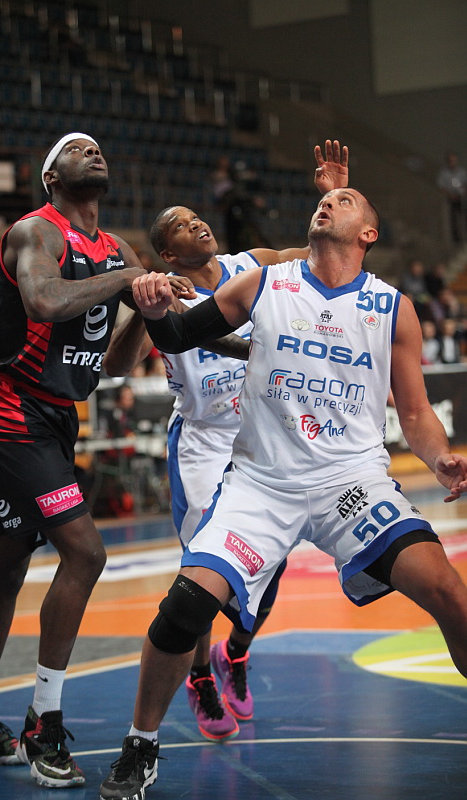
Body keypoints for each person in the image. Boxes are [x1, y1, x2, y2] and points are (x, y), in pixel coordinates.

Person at [99, 187, 467, 800]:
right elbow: (178, 336)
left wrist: (439, 458)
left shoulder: (392, 307)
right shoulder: (264, 281)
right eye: (326, 200)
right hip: (261, 484)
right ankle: (141, 744)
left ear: (368, 233)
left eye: (344, 202)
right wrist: (153, 307)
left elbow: (415, 411)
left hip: (351, 480)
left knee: (447, 590)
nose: (328, 204)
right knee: (184, 609)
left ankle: (235, 655)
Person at [103, 140, 349, 741]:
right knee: (206, 572)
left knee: (272, 564)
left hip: (265, 435)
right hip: (206, 443)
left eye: (197, 217)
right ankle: (198, 678)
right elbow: (114, 366)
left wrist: (333, 197)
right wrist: (142, 308)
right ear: (168, 253)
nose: (198, 224)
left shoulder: (250, 266)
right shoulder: (164, 295)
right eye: (181, 226)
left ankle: (234, 653)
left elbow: (319, 256)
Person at [0, 133, 150, 788]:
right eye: (77, 149)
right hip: (10, 409)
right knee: (85, 553)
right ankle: (44, 721)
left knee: (8, 563)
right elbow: (43, 301)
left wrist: (147, 314)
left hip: (56, 417)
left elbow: (119, 363)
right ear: (51, 177)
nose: (94, 151)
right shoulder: (36, 232)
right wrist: (130, 281)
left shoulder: (116, 248)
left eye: (99, 147)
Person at [437, 151, 467, 245]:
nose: (453, 163)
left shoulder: (462, 172)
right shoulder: (444, 173)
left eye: (454, 160)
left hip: (461, 198)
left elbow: (465, 183)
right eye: (451, 161)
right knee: (453, 219)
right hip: (450, 199)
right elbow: (441, 186)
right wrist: (450, 195)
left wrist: (463, 192)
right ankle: (456, 240)